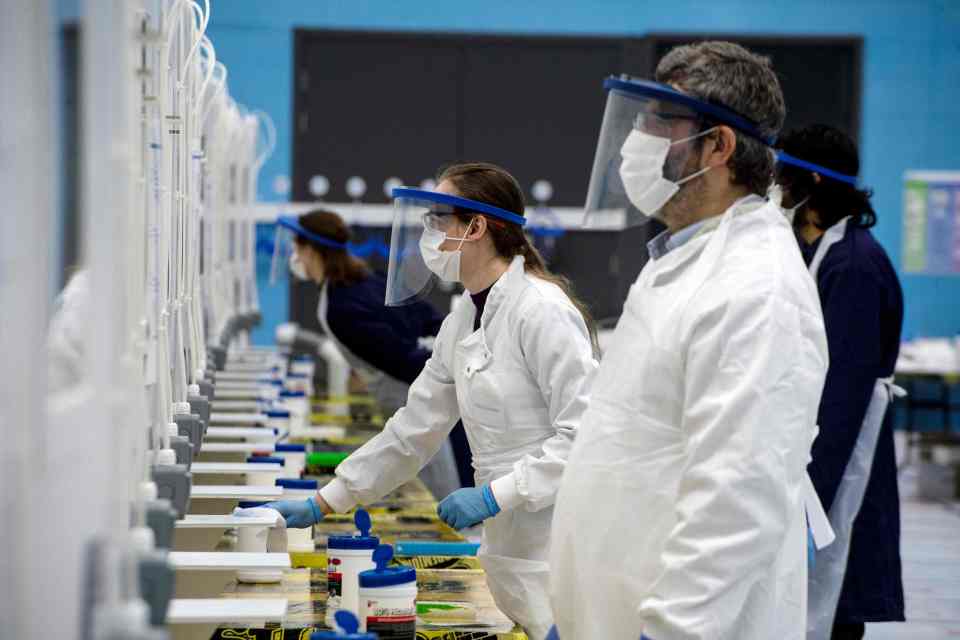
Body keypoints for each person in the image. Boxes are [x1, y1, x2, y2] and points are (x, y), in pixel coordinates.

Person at [549, 42, 829, 639]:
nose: (637, 139)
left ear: (719, 146)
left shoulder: (756, 287)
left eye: (660, 121)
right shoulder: (681, 256)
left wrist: (671, 631)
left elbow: (738, 494)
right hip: (611, 609)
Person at [269, 162, 598, 639]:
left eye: (438, 221)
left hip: (559, 538)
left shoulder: (542, 311)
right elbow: (414, 429)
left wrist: (493, 495)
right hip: (511, 550)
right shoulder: (463, 318)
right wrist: (328, 499)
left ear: (477, 227)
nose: (429, 235)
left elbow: (583, 436)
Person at [775, 124, 905, 640]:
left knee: (835, 610)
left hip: (840, 468)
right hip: (815, 461)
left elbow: (840, 402)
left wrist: (809, 509)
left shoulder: (854, 267)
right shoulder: (820, 253)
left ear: (810, 182)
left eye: (784, 176)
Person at [275, 209, 461, 499]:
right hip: (421, 392)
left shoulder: (341, 306)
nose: (294, 256)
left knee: (443, 495)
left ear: (311, 250)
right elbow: (426, 318)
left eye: (297, 247)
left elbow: (401, 360)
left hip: (414, 401)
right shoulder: (365, 279)